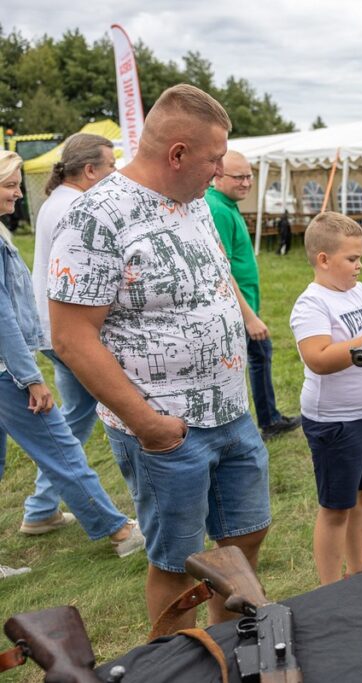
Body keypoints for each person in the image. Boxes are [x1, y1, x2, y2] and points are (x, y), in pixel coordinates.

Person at [47, 84, 272, 630]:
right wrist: (148, 425)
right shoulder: (95, 217)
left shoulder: (195, 204)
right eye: (214, 159)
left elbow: (216, 276)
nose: (219, 172)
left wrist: (242, 318)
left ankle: (228, 644)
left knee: (247, 534)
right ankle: (177, 662)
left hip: (230, 412)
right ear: (177, 154)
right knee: (177, 563)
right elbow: (72, 337)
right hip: (166, 429)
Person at [0, 151, 143, 579]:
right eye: (10, 185)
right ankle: (119, 531)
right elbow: (2, 318)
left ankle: (42, 512)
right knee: (60, 446)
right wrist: (30, 378)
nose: (18, 194)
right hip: (7, 371)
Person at [290, 212, 362, 584]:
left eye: (359, 258)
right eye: (352, 258)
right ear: (324, 259)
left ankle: (358, 571)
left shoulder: (359, 292)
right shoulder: (312, 304)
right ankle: (330, 588)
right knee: (337, 508)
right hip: (335, 423)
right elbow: (319, 358)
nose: (359, 265)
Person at [22, 133, 118, 536]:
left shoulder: (57, 202)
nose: (116, 174)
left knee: (75, 418)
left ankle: (41, 509)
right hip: (68, 331)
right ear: (90, 170)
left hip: (52, 329)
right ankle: (115, 518)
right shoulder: (75, 207)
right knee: (118, 410)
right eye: (111, 166)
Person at [207, 150, 301, 440]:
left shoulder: (226, 205)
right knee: (241, 365)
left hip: (244, 304)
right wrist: (249, 317)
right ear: (218, 176)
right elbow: (222, 270)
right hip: (236, 309)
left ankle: (268, 419)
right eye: (239, 177)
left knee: (259, 355)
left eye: (249, 176)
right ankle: (251, 427)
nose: (246, 183)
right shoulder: (218, 209)